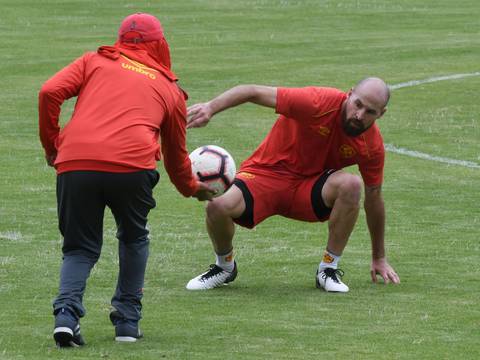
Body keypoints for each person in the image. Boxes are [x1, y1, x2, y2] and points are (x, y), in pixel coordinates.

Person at [38, 13, 214, 347]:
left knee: (79, 247)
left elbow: (49, 91)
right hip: (132, 168)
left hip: (76, 163)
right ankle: (127, 323)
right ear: (160, 44)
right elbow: (176, 158)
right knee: (134, 238)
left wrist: (53, 145)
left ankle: (66, 315)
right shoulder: (169, 89)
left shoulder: (94, 61)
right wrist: (192, 188)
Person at [185, 78, 400, 292]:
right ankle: (225, 266)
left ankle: (328, 268)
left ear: (381, 114)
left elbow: (374, 199)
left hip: (308, 191)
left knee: (352, 184)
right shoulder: (317, 102)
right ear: (350, 93)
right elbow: (250, 90)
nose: (359, 115)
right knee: (216, 206)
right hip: (264, 176)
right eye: (358, 104)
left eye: (370, 112)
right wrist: (210, 108)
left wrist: (379, 257)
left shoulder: (372, 146)